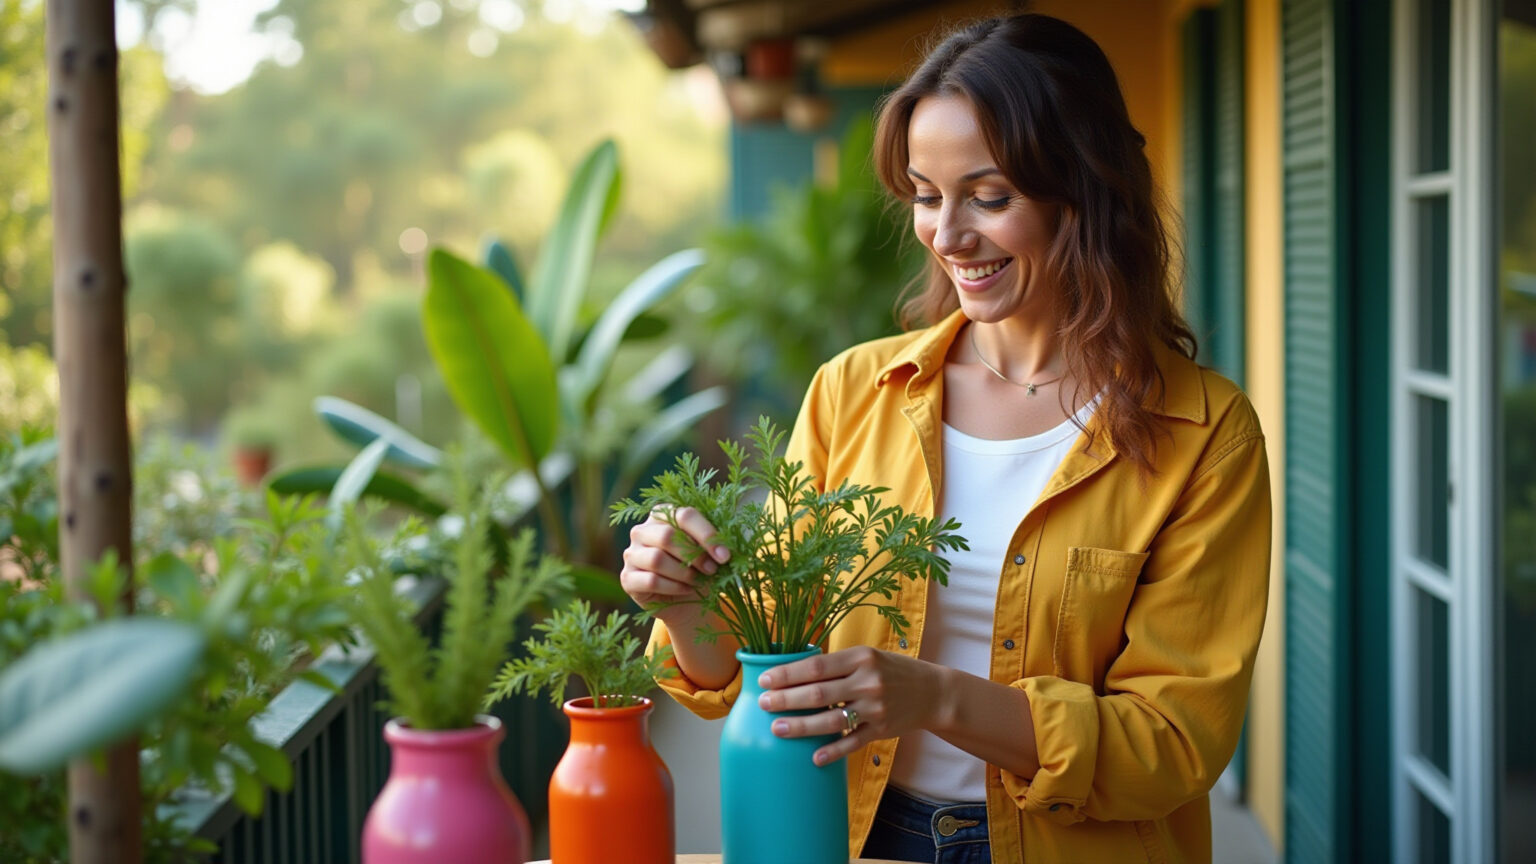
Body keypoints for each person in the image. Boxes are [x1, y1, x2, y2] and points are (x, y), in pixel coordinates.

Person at [621, 13, 1271, 864]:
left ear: (1087, 188)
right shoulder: (855, 392)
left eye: (990, 197)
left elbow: (1174, 743)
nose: (948, 235)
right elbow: (757, 660)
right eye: (927, 195)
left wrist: (935, 697)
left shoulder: (1203, 434)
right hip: (855, 833)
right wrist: (688, 603)